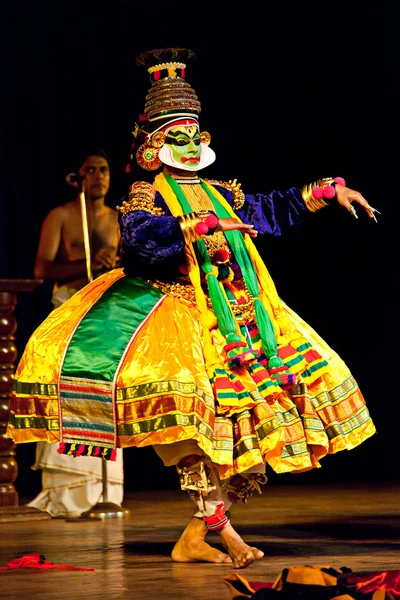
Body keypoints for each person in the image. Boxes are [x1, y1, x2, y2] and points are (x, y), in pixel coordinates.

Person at [8, 48, 376, 565]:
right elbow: (137, 241)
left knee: (245, 424)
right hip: (170, 315)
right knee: (190, 424)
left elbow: (272, 209)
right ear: (154, 146)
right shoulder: (146, 195)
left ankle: (194, 536)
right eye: (174, 136)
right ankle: (223, 535)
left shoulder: (220, 190)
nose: (188, 143)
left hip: (237, 315)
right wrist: (195, 226)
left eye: (194, 134)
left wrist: (325, 191)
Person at [26, 148, 124, 518]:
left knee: (103, 396)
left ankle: (105, 489)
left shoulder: (118, 220)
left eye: (104, 169)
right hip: (69, 308)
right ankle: (67, 488)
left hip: (107, 314)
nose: (99, 175)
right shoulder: (63, 216)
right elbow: (41, 269)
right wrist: (82, 266)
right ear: (78, 177)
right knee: (70, 392)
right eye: (91, 170)